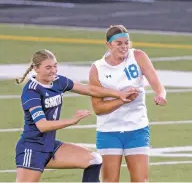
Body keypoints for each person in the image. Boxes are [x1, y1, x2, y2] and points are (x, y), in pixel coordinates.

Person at [15, 49, 138, 183]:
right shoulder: (32, 91)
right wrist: (71, 121)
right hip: (32, 148)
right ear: (35, 68)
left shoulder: (58, 82)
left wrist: (118, 94)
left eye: (55, 66)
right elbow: (42, 125)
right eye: (48, 67)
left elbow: (89, 89)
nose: (53, 70)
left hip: (50, 146)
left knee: (93, 160)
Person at [89, 25, 167, 183]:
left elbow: (157, 83)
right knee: (110, 181)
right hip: (109, 131)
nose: (124, 47)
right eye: (119, 43)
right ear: (108, 45)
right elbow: (98, 108)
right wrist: (121, 100)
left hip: (137, 129)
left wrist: (160, 95)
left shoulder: (138, 56)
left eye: (126, 43)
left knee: (140, 180)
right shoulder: (97, 68)